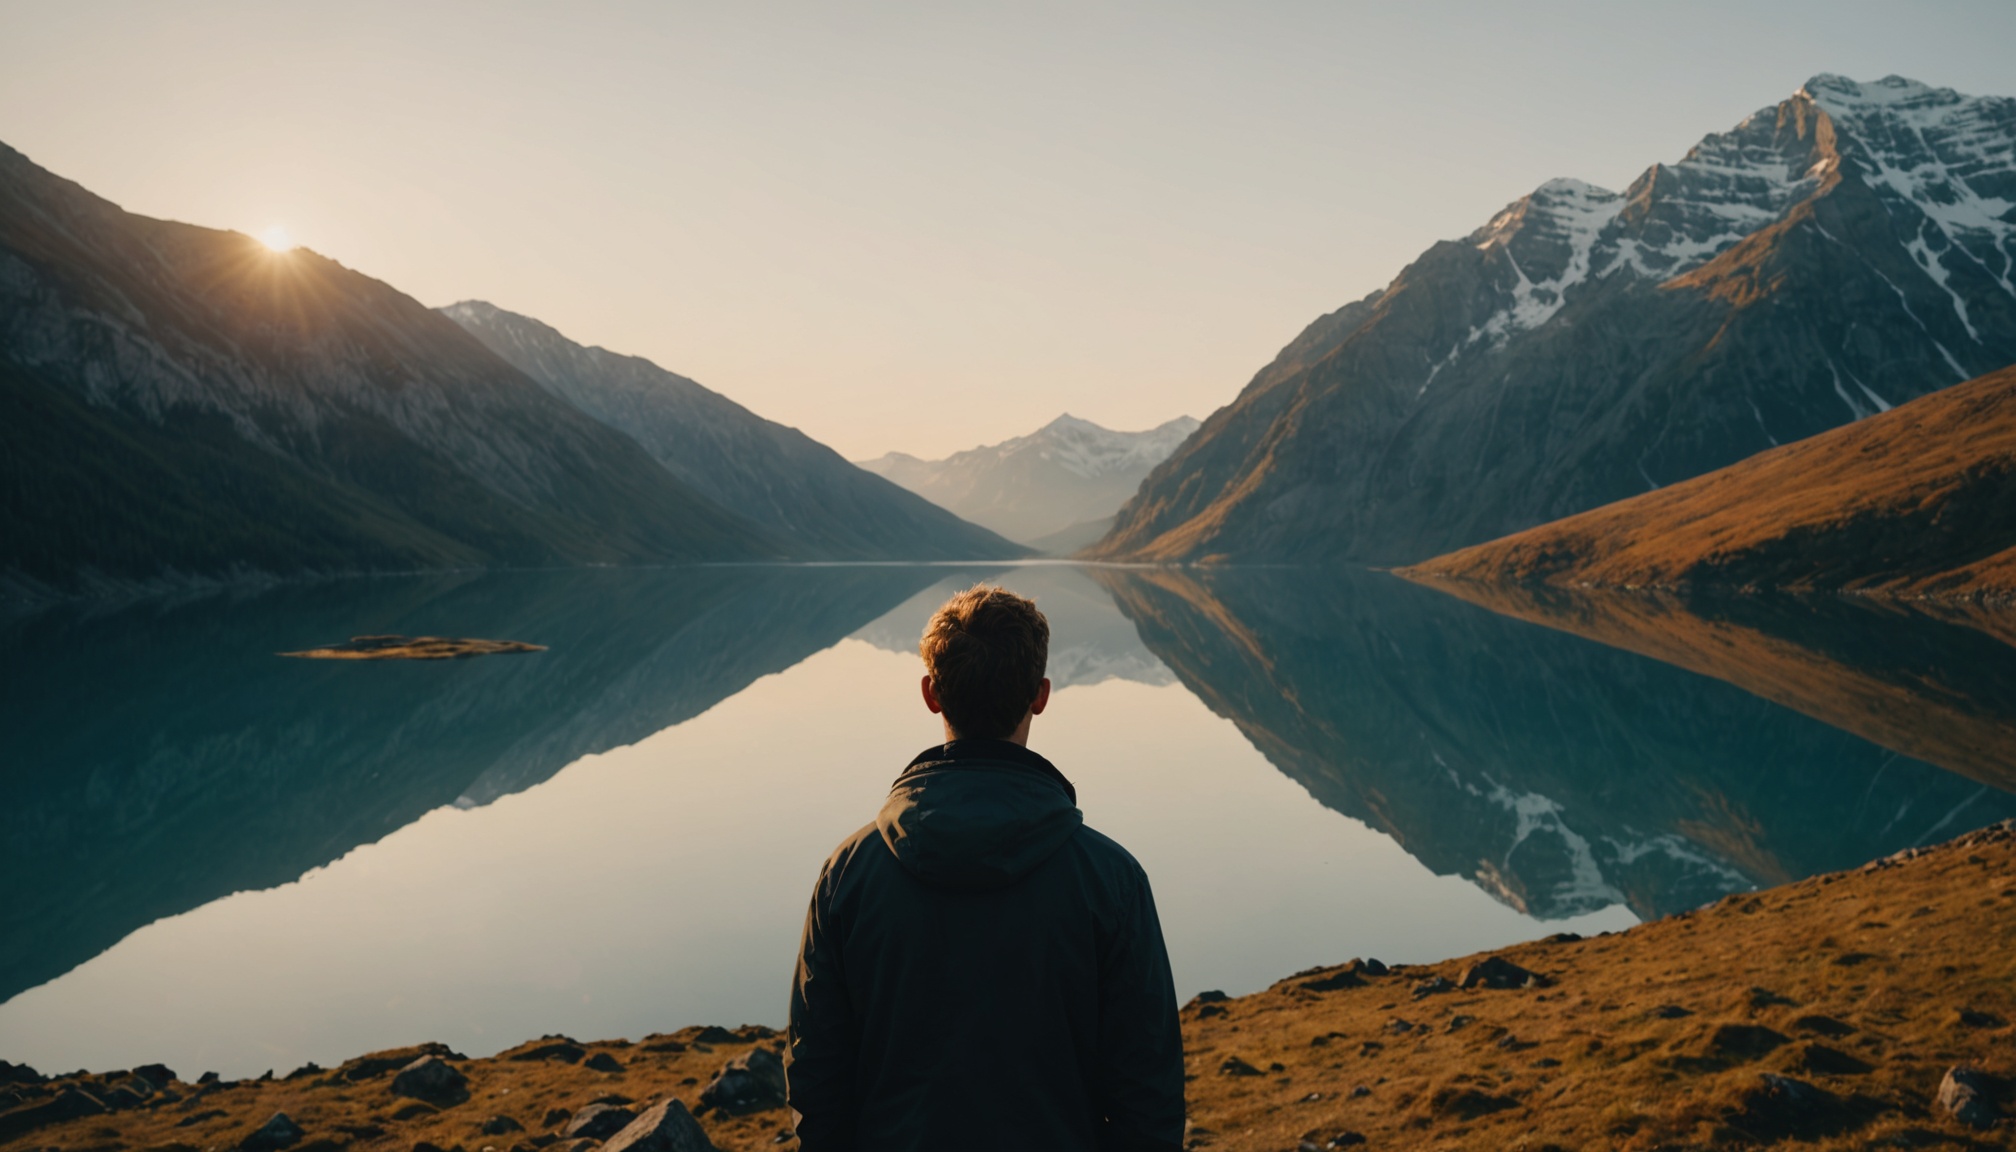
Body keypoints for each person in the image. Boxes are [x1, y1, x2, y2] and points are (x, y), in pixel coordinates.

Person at [784, 584, 1186, 1151]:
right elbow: (1149, 1094)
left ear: (931, 694)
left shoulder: (848, 875)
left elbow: (816, 1079)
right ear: (1040, 695)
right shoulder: (1111, 880)